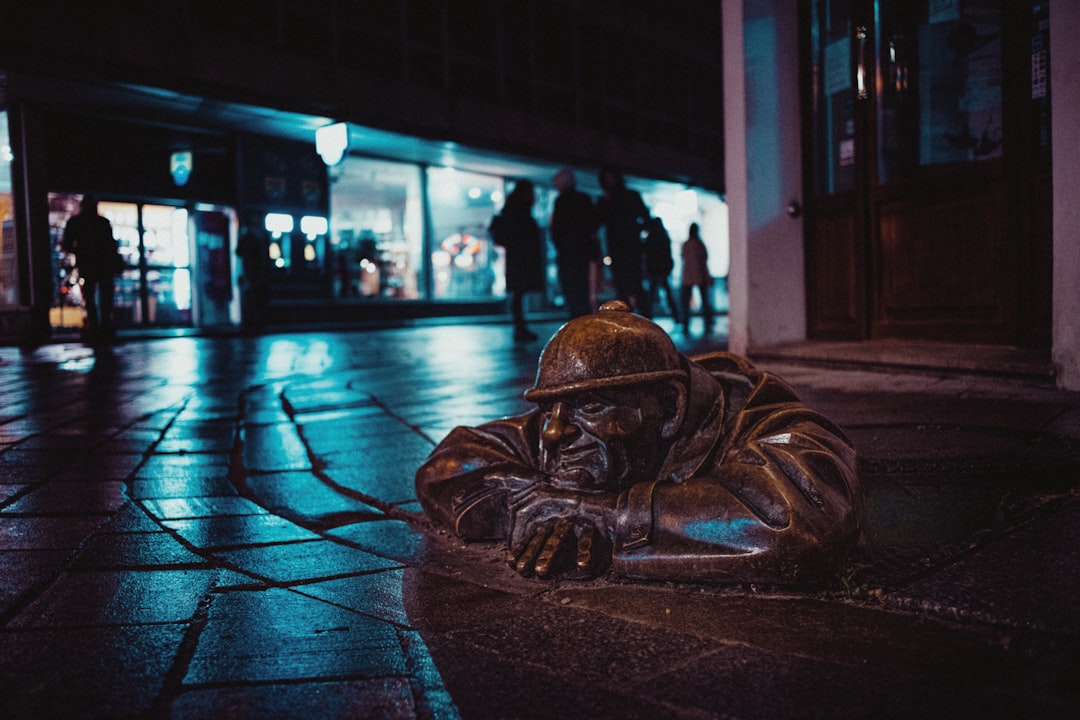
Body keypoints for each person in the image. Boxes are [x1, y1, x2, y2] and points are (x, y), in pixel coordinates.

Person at [416, 301, 861, 585]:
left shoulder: (765, 420)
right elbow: (449, 463)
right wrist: (535, 500)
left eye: (589, 405)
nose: (552, 432)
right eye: (549, 409)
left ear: (668, 406)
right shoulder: (563, 426)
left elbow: (797, 524)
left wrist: (606, 516)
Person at [490, 179, 545, 342]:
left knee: (518, 294)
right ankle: (520, 329)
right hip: (521, 260)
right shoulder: (520, 212)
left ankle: (520, 328)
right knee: (519, 294)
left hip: (516, 259)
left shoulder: (512, 209)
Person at [61, 194, 121, 342]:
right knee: (104, 299)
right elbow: (111, 245)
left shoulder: (77, 223)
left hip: (88, 264)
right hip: (102, 265)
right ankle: (103, 329)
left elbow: (66, 244)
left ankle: (96, 329)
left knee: (91, 298)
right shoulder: (102, 223)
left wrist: (79, 251)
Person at [597, 165, 649, 313]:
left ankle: (645, 319)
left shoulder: (631, 196)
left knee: (636, 285)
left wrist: (638, 235)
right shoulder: (605, 200)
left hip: (631, 248)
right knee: (621, 285)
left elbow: (645, 218)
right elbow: (598, 221)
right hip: (617, 249)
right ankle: (627, 319)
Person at [549, 168, 598, 319]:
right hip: (581, 253)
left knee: (572, 291)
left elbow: (556, 229)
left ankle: (576, 321)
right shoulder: (584, 199)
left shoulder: (561, 202)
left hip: (569, 254)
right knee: (582, 290)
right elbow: (592, 223)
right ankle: (582, 320)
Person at [642, 216, 680, 323]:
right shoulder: (664, 237)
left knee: (652, 295)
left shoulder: (651, 238)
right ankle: (676, 317)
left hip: (654, 269)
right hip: (662, 270)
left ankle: (648, 318)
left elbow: (646, 252)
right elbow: (668, 254)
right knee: (667, 294)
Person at [680, 222, 714, 334]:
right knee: (704, 300)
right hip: (700, 275)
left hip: (688, 275)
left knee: (686, 302)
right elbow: (704, 261)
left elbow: (684, 258)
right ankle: (707, 321)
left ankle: (685, 322)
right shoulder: (699, 244)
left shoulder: (686, 244)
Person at [236, 223, 270, 329]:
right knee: (255, 299)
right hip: (254, 275)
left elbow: (238, 252)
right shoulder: (256, 241)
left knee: (251, 299)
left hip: (251, 274)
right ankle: (255, 321)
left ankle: (252, 321)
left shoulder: (248, 241)